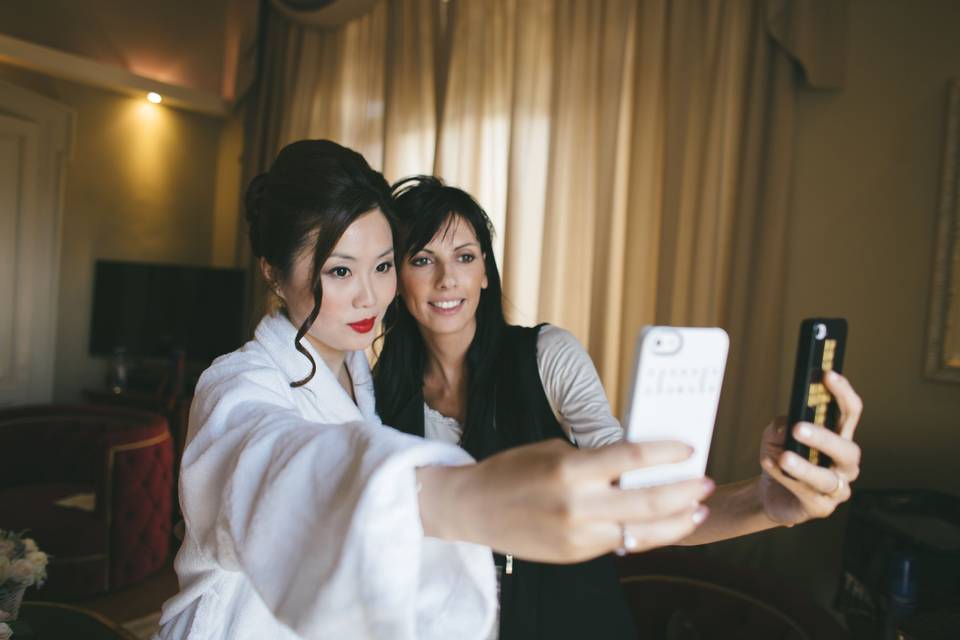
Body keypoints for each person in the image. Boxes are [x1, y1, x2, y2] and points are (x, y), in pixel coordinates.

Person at [155, 140, 718, 640]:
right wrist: (452, 496)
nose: (369, 297)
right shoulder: (239, 383)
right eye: (339, 271)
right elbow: (266, 467)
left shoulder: (364, 386)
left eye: (381, 267)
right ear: (275, 274)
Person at [374, 175, 865, 639]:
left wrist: (768, 503)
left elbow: (645, 494)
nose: (446, 279)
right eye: (422, 260)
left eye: (463, 257)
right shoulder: (379, 397)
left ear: (485, 272)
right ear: (396, 276)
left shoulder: (547, 355)